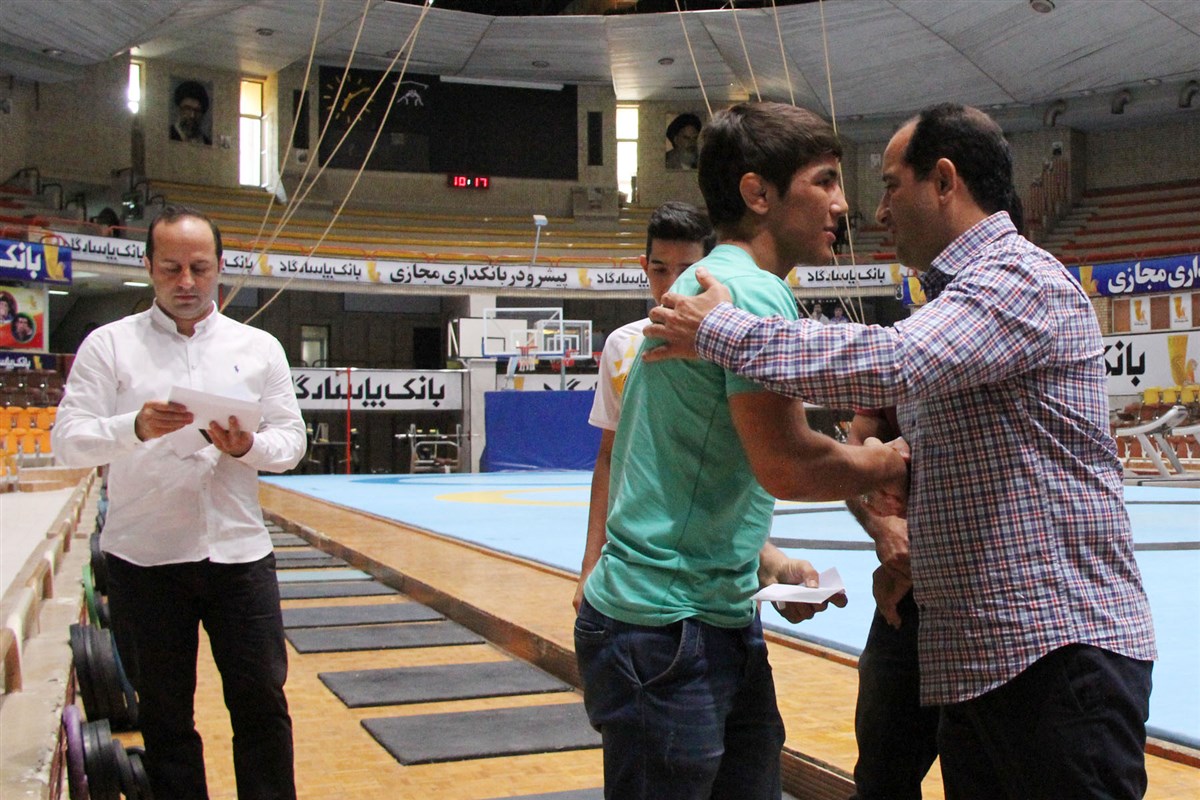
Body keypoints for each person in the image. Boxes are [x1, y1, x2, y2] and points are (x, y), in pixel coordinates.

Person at [643, 103, 1156, 799]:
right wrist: (924, 564)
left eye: (889, 186)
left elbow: (891, 364)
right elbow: (964, 468)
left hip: (1054, 654)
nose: (873, 211)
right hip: (985, 657)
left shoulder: (1018, 278)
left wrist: (719, 331)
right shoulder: (954, 302)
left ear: (943, 181)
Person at [575, 101, 908, 800]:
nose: (843, 204)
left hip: (703, 614)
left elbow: (692, 467)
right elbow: (788, 464)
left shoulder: (712, 286)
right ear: (758, 193)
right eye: (824, 181)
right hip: (670, 627)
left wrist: (769, 563)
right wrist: (891, 458)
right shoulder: (751, 294)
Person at [52, 206, 306, 800]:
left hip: (240, 558)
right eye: (171, 268)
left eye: (199, 267)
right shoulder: (109, 346)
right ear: (148, 267)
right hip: (145, 561)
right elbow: (67, 442)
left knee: (263, 706)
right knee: (165, 715)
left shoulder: (259, 347)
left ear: (221, 267)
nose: (186, 282)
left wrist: (247, 447)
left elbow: (291, 443)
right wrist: (133, 427)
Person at [574, 200, 715, 611]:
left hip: (713, 558)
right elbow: (608, 457)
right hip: (634, 559)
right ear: (643, 266)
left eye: (686, 271)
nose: (671, 286)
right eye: (659, 269)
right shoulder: (621, 345)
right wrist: (588, 565)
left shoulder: (728, 345)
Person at [171, 80, 212, 145]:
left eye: (197, 111)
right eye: (187, 109)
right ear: (178, 109)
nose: (192, 115)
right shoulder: (169, 134)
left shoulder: (207, 143)